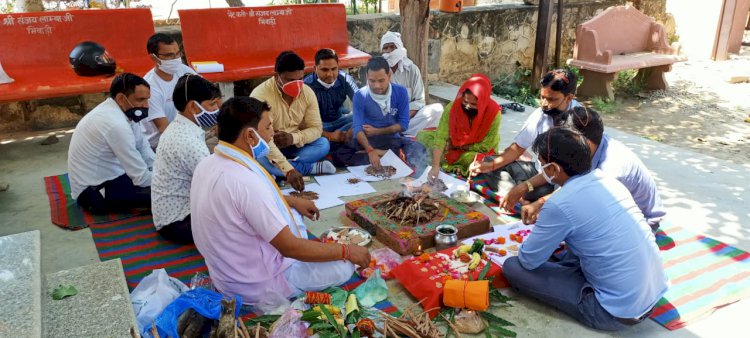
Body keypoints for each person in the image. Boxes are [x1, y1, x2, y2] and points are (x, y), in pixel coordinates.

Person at [190, 97, 371, 305]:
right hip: (255, 285)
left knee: (292, 214)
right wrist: (347, 251)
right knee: (344, 267)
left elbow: (241, 203)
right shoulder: (245, 181)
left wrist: (291, 201)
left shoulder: (209, 163)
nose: (272, 133)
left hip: (224, 273)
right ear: (250, 135)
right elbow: (290, 248)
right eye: (268, 127)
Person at [502, 127, 668, 331]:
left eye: (543, 166)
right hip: (652, 296)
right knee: (579, 241)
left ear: (554, 169)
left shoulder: (559, 203)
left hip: (612, 313)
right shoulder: (607, 181)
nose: (541, 170)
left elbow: (528, 260)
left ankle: (581, 288)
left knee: (512, 267)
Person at [504, 107, 667, 229]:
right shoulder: (591, 145)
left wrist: (541, 203)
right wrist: (524, 186)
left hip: (639, 223)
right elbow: (554, 172)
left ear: (583, 141)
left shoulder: (612, 168)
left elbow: (578, 192)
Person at [470, 69, 581, 201]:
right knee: (488, 162)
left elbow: (571, 175)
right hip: (539, 173)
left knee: (556, 198)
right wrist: (491, 166)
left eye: (551, 99)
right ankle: (519, 199)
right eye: (542, 97)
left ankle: (523, 198)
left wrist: (525, 186)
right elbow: (517, 149)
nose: (544, 104)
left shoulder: (581, 121)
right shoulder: (541, 114)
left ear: (569, 98)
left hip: (561, 184)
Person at [68, 73, 154, 214]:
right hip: (93, 192)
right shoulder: (115, 124)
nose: (146, 105)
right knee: (170, 195)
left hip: (112, 176)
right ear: (121, 98)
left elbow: (142, 147)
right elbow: (141, 178)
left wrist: (160, 170)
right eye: (141, 100)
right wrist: (169, 179)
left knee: (167, 183)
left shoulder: (123, 112)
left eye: (147, 99)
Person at [151, 75, 221, 244]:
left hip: (170, 216)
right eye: (212, 104)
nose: (218, 109)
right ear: (193, 107)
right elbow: (217, 188)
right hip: (178, 224)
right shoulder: (188, 143)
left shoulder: (179, 127)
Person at [250, 51, 335, 191]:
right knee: (259, 157)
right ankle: (310, 168)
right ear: (277, 76)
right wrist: (288, 170)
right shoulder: (260, 95)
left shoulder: (307, 92)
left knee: (323, 144)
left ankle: (277, 170)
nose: (296, 86)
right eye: (290, 81)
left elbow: (316, 128)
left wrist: (293, 138)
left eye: (300, 79)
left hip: (295, 146)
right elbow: (261, 137)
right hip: (270, 145)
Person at [329, 57, 427, 174]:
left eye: (381, 81)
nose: (376, 86)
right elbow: (357, 129)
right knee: (338, 155)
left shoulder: (400, 92)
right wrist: (370, 150)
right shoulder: (360, 95)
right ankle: (386, 155)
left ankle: (381, 153)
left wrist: (377, 131)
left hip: (391, 139)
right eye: (372, 81)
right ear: (367, 77)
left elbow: (403, 125)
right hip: (366, 141)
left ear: (389, 75)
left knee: (418, 149)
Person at [417, 74, 502, 178]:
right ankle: (444, 162)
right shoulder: (453, 108)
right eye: (465, 102)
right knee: (422, 136)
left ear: (483, 102)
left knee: (479, 161)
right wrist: (435, 166)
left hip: (474, 150)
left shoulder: (493, 114)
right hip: (452, 143)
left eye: (474, 104)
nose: (468, 106)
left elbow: (485, 147)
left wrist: (457, 145)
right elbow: (440, 137)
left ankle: (453, 164)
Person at [380, 31, 444, 136]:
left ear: (399, 48)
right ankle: (397, 133)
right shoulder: (379, 71)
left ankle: (403, 133)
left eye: (392, 47)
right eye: (385, 48)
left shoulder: (412, 70)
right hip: (387, 121)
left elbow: (419, 101)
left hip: (410, 119)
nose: (389, 51)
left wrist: (403, 120)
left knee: (437, 110)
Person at [140, 33, 198, 148]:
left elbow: (209, 93)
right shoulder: (150, 88)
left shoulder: (183, 70)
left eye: (177, 53)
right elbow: (164, 129)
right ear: (153, 57)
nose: (176, 59)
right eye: (169, 55)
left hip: (184, 134)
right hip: (160, 144)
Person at [303, 48, 360, 143]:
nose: (330, 74)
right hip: (319, 127)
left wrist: (351, 131)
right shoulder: (306, 86)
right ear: (315, 69)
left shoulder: (346, 80)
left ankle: (342, 138)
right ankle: (338, 140)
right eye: (324, 70)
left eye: (334, 69)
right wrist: (330, 136)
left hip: (341, 120)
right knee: (321, 144)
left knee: (361, 120)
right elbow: (302, 124)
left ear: (338, 67)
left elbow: (363, 106)